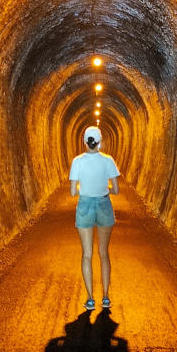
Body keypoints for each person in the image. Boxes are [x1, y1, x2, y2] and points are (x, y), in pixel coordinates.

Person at [69, 125, 120, 311]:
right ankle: (105, 298)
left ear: (84, 142)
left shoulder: (77, 161)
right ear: (99, 142)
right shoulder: (108, 161)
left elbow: (73, 192)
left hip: (85, 206)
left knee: (87, 254)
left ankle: (90, 299)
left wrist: (86, 188)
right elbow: (116, 189)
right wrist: (104, 188)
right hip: (104, 204)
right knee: (104, 253)